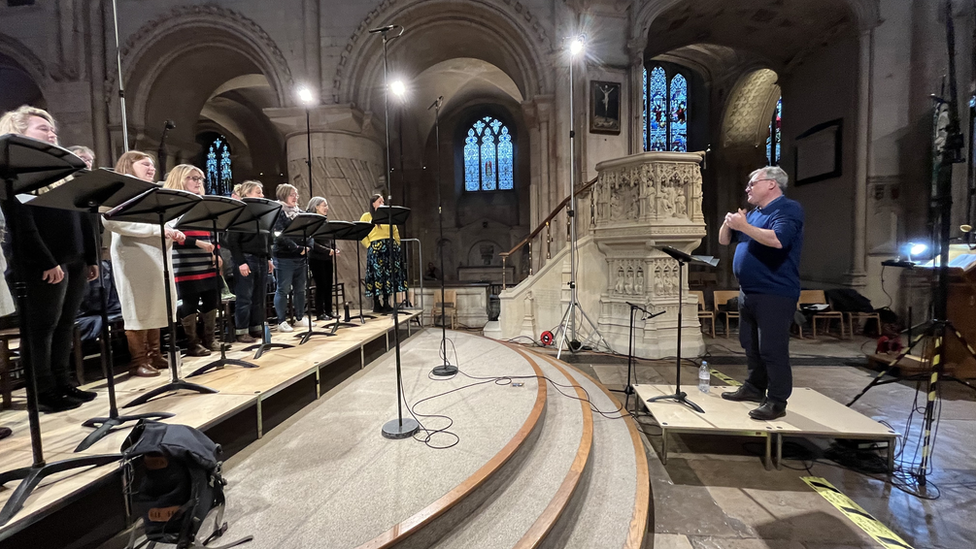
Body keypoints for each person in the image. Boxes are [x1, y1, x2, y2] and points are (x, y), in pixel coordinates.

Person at [0, 106, 100, 412]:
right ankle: (41, 390)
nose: (52, 133)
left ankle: (62, 382)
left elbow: (82, 216)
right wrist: (46, 260)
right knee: (42, 328)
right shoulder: (17, 170)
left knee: (65, 324)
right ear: (18, 132)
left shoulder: (60, 171)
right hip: (43, 261)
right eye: (42, 128)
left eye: (52, 128)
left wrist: (90, 257)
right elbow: (22, 222)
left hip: (73, 258)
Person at [718, 166, 804, 420]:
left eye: (752, 183)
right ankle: (755, 387)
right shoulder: (755, 214)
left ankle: (777, 400)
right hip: (749, 292)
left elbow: (778, 240)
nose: (747, 188)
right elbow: (724, 241)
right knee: (750, 345)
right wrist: (729, 223)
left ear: (771, 185)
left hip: (775, 292)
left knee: (772, 349)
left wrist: (744, 226)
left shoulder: (788, 209)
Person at [103, 151, 185, 378]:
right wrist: (158, 230)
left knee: (158, 303)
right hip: (133, 254)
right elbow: (114, 222)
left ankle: (155, 354)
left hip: (158, 253)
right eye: (145, 164)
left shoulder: (153, 191)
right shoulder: (119, 191)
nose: (152, 169)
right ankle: (138, 360)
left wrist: (173, 230)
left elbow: (166, 219)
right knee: (138, 306)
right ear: (128, 166)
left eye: (152, 165)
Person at [163, 164, 220, 356]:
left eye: (200, 179)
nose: (198, 182)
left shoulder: (202, 203)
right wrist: (200, 244)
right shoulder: (173, 203)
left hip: (206, 259)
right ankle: (193, 343)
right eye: (192, 178)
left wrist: (216, 252)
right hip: (185, 261)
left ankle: (210, 339)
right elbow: (173, 234)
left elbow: (213, 230)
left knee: (212, 298)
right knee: (190, 301)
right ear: (179, 179)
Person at [225, 181, 273, 343]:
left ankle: (256, 327)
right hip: (246, 259)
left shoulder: (262, 215)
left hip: (261, 259)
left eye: (261, 192)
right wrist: (241, 262)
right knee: (245, 297)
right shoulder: (239, 213)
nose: (262, 195)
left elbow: (267, 238)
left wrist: (269, 258)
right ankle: (242, 330)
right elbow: (232, 241)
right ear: (246, 195)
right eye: (257, 192)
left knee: (259, 297)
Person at [272, 184, 311, 332]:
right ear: (283, 195)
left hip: (300, 257)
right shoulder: (278, 212)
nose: (296, 197)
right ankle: (281, 321)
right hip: (284, 257)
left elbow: (309, 231)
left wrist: (309, 246)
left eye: (296, 194)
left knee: (300, 289)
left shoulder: (300, 213)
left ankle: (300, 317)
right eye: (292, 194)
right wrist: (296, 248)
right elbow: (279, 234)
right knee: (283, 289)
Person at [360, 193, 406, 313]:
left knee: (388, 276)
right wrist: (369, 245)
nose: (382, 204)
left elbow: (395, 231)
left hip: (390, 248)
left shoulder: (388, 216)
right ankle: (376, 303)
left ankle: (386, 302)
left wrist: (396, 245)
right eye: (380, 202)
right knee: (376, 275)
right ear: (373, 203)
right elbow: (361, 232)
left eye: (383, 202)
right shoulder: (366, 216)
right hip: (376, 249)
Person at [306, 196, 338, 321]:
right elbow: (312, 242)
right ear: (316, 207)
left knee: (329, 284)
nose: (327, 208)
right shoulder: (312, 222)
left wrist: (334, 248)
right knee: (321, 285)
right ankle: (320, 312)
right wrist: (327, 250)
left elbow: (329, 239)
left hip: (327, 257)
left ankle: (329, 310)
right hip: (316, 258)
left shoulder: (324, 221)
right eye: (324, 205)